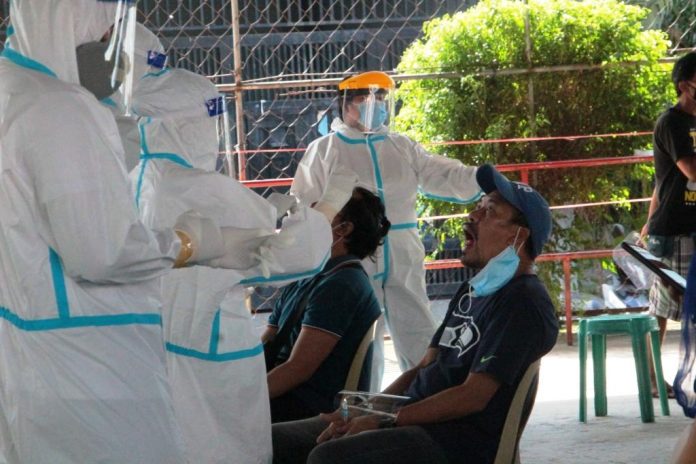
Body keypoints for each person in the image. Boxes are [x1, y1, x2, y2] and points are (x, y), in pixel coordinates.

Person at [0, 1, 264, 462]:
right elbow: (101, 253)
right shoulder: (60, 107)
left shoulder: (14, 88)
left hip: (35, 356)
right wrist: (193, 243)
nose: (107, 40)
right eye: (105, 29)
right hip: (95, 370)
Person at [129, 65, 356, 463]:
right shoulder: (209, 189)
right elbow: (289, 258)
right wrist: (327, 209)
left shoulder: (134, 182)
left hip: (146, 357)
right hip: (210, 358)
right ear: (191, 126)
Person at [273, 164, 558, 464]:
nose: (472, 216)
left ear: (518, 236)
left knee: (327, 458)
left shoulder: (523, 304)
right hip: (413, 420)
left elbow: (473, 396)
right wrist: (368, 410)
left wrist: (388, 420)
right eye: (477, 207)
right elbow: (421, 368)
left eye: (490, 211)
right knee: (279, 443)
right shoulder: (473, 291)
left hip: (453, 442)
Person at [291, 70, 482, 389]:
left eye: (381, 98)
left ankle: (428, 399)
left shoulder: (401, 146)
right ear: (346, 105)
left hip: (403, 251)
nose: (376, 105)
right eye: (366, 99)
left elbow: (440, 173)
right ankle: (356, 410)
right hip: (353, 256)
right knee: (360, 340)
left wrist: (479, 178)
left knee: (419, 332)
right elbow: (303, 203)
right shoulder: (325, 150)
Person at [263, 187, 390, 423]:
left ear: (342, 230)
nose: (309, 212)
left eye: (322, 208)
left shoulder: (342, 285)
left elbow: (298, 369)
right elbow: (268, 343)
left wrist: (245, 400)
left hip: (307, 407)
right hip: (283, 396)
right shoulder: (308, 276)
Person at [640, 51, 696, 398]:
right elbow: (689, 171)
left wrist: (647, 223)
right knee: (663, 308)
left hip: (682, 226)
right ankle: (650, 378)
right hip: (675, 229)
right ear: (684, 85)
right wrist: (653, 227)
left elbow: (661, 184)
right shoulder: (672, 123)